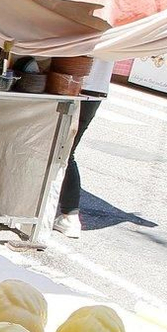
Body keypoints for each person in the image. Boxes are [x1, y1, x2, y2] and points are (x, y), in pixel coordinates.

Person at [55, 57, 113, 238]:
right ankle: (69, 215)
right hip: (95, 87)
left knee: (62, 150)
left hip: (68, 79)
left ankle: (69, 215)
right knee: (66, 151)